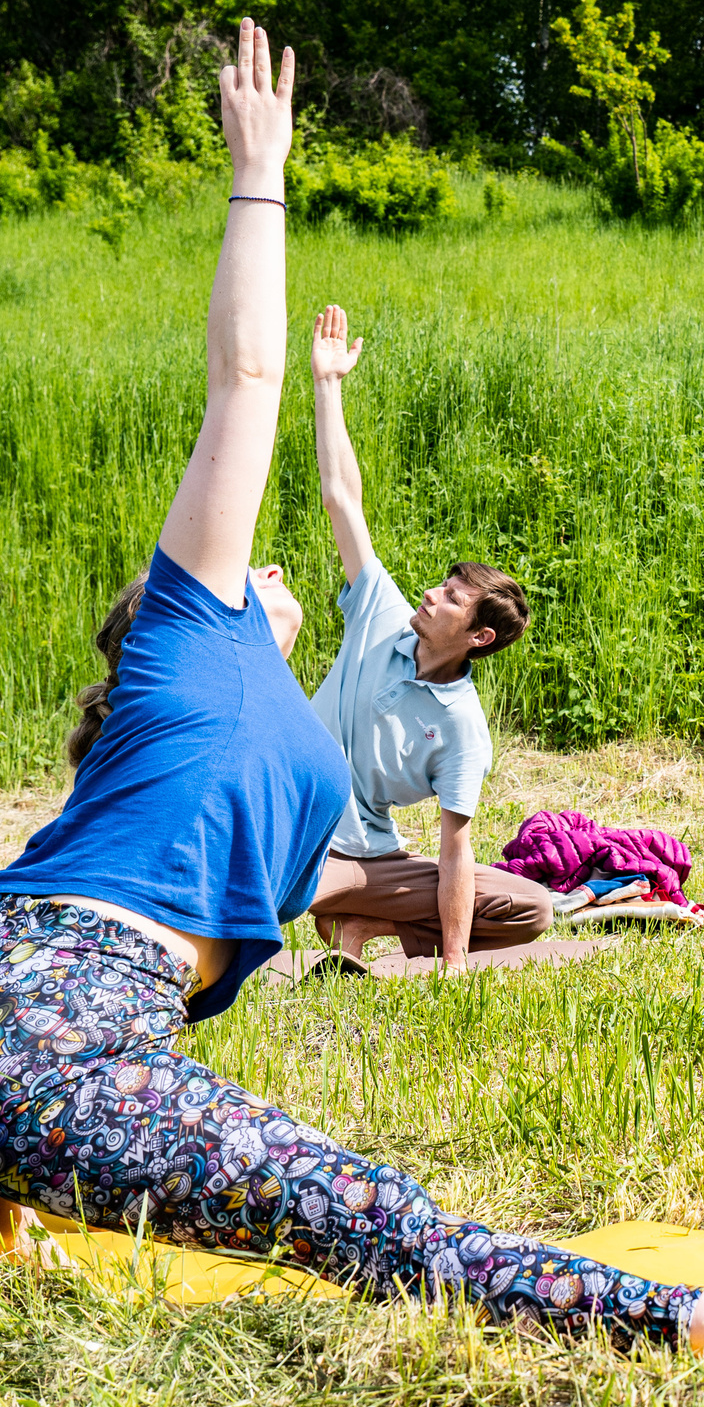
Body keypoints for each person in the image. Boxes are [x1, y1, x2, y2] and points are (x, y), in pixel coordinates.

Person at [0, 19, 704, 1348]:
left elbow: (95, 986)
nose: (264, 565)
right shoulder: (195, 633)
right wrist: (259, 177)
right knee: (355, 1207)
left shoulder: (255, 721)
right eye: (247, 571)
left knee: (83, 1088)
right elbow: (245, 380)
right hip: (30, 999)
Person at [298, 303, 549, 970]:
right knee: (245, 894)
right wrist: (328, 385)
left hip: (370, 861)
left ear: (479, 637)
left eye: (452, 598)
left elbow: (454, 849)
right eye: (443, 584)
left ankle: (360, 925)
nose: (432, 594)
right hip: (295, 836)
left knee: (532, 907)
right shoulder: (380, 613)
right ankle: (318, 910)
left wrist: (456, 963)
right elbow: (342, 498)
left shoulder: (463, 727)